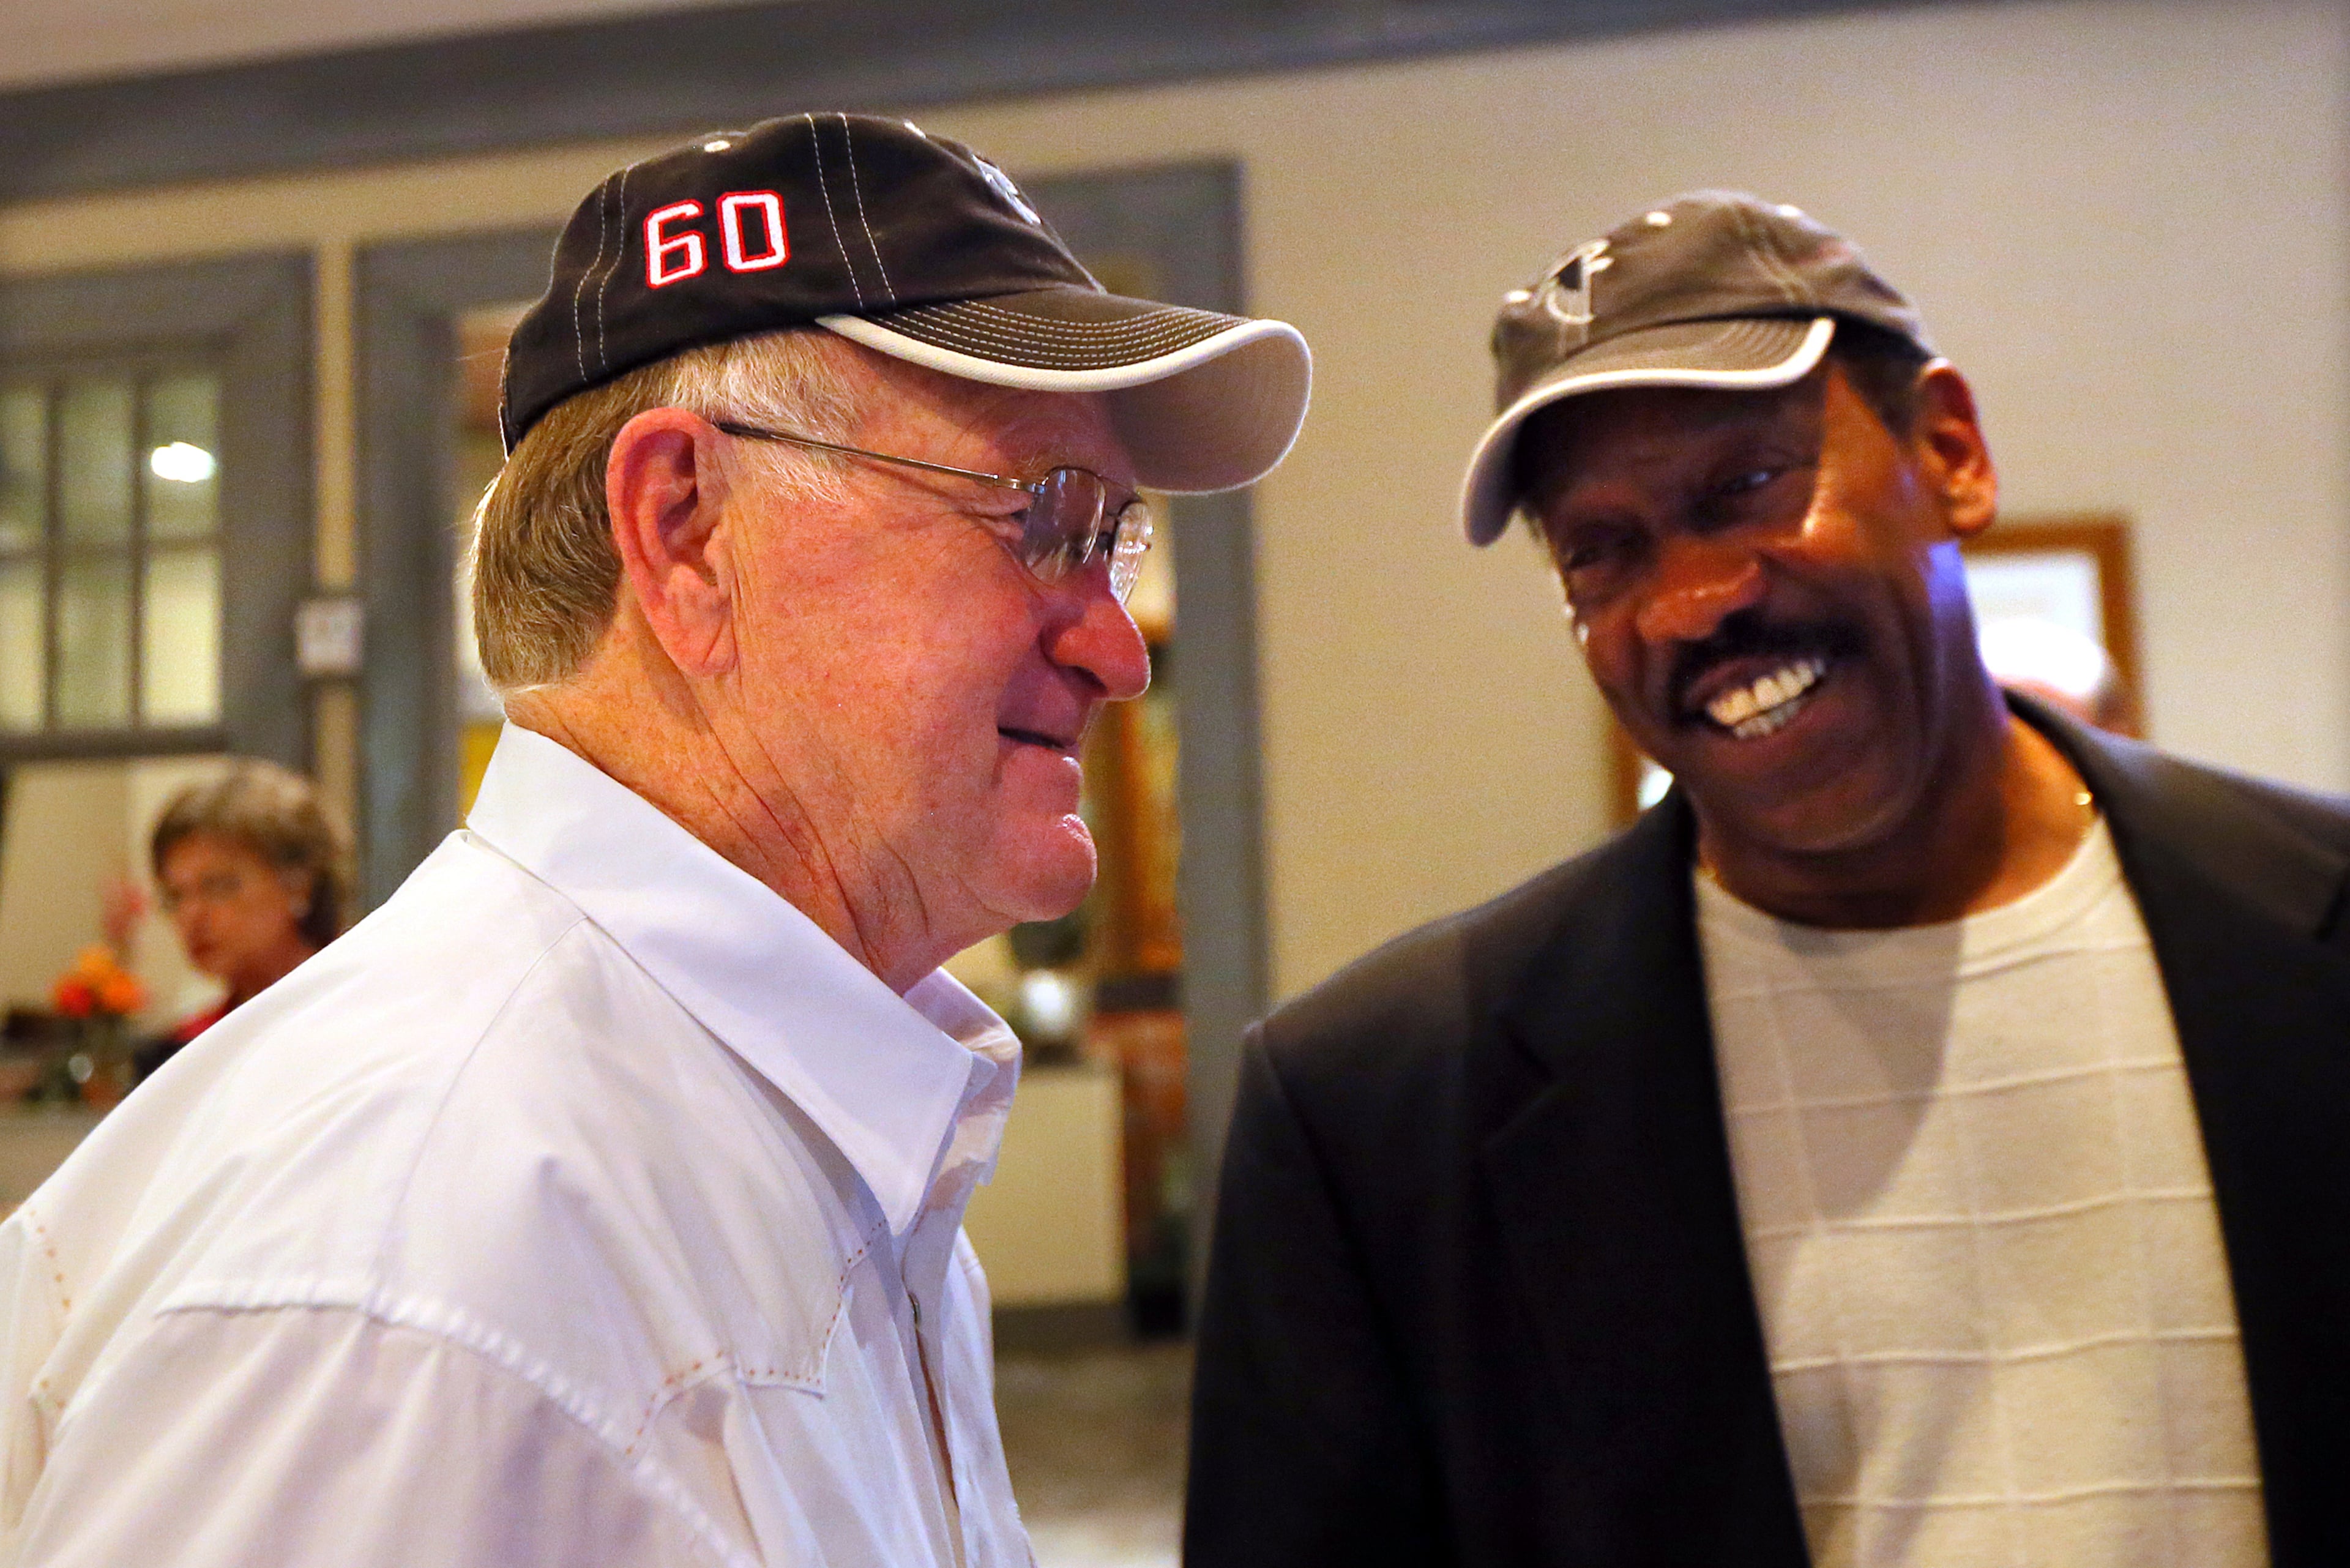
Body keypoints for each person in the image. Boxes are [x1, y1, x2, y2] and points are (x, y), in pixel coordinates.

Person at [0, 113, 1308, 1566]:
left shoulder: (790, 1141)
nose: (1119, 652)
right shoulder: (427, 1282)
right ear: (684, 528)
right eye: (1046, 518)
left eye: (1114, 537)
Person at [1186, 192, 2350, 1568]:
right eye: (1602, 552)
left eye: (1745, 487)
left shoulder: (2309, 926)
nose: (1693, 604)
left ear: (1952, 453)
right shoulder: (1383, 1110)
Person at [122, 761, 350, 1080]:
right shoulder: (182, 1054)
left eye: (219, 886)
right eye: (176, 896)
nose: (191, 915)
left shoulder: (361, 1018)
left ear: (299, 885)